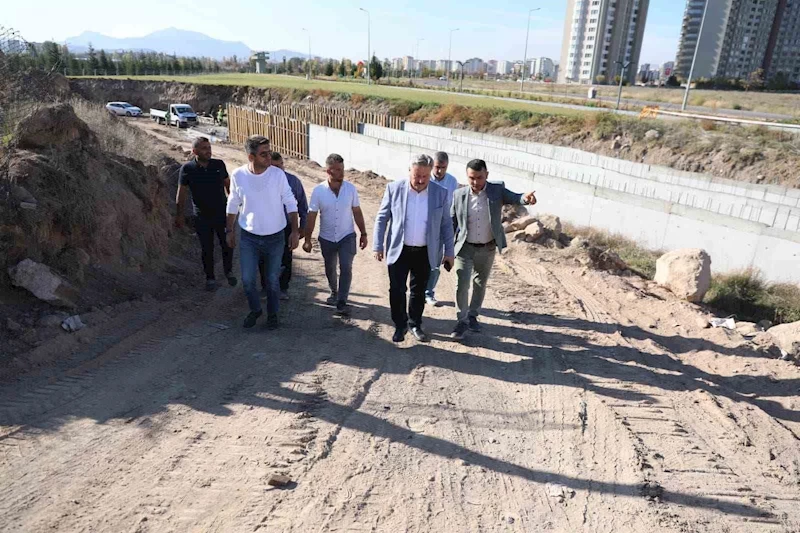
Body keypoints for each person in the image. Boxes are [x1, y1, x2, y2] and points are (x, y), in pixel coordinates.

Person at [450, 159, 537, 340]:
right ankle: (462, 320)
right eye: (471, 178)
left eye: (479, 177)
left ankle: (473, 316)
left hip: (487, 247)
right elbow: (452, 222)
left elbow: (515, 197)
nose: (475, 182)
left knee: (480, 283)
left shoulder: (496, 191)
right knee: (462, 284)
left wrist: (526, 199)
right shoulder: (459, 195)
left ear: (487, 175)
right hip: (464, 248)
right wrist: (446, 249)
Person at [373, 154, 455, 343]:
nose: (420, 180)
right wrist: (378, 245)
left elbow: (446, 225)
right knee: (397, 289)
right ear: (409, 171)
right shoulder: (394, 189)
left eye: (425, 177)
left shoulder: (440, 193)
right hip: (399, 249)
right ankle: (400, 325)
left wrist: (449, 252)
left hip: (425, 251)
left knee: (419, 292)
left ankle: (415, 324)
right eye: (416, 175)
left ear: (430, 173)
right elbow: (382, 218)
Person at [226, 136, 300, 330]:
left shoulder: (277, 175)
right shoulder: (238, 175)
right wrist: (229, 230)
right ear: (251, 157)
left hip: (276, 238)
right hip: (249, 237)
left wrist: (294, 231)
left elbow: (290, 202)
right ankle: (256, 309)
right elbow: (233, 203)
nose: (268, 157)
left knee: (272, 280)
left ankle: (273, 314)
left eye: (269, 152)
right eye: (263, 154)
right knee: (248, 280)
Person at [302, 153, 368, 316]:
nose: (341, 173)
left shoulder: (350, 189)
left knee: (346, 267)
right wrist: (308, 239)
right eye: (337, 170)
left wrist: (364, 233)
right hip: (326, 238)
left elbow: (357, 212)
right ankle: (334, 291)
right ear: (328, 171)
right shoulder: (318, 191)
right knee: (330, 267)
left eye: (342, 169)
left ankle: (342, 301)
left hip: (347, 236)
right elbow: (312, 215)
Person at [175, 136, 236, 291]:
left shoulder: (219, 165)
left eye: (209, 148)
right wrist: (179, 215)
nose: (208, 151)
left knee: (227, 244)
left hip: (222, 214)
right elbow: (181, 193)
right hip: (202, 216)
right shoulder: (187, 169)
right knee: (206, 248)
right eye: (204, 148)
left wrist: (233, 208)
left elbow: (228, 186)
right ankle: (210, 278)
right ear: (195, 151)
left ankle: (228, 271)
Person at [258, 152, 308, 301]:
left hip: (286, 226)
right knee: (264, 258)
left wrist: (302, 227)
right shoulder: (261, 182)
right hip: (266, 226)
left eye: (281, 166)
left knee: (286, 257)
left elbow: (303, 206)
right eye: (274, 167)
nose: (279, 170)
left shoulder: (293, 182)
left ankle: (283, 288)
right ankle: (266, 287)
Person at [424, 151, 459, 307]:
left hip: (440, 227)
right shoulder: (424, 178)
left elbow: (454, 207)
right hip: (423, 225)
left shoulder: (452, 182)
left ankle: (429, 292)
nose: (439, 171)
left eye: (443, 168)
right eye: (437, 167)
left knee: (435, 263)